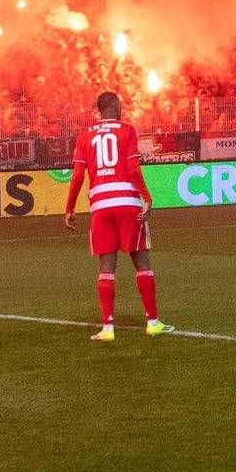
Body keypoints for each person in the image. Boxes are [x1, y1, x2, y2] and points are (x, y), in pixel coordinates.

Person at [65, 90, 165, 341]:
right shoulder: (127, 129)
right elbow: (132, 167)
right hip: (128, 203)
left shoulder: (84, 135)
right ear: (116, 106)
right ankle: (152, 322)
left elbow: (77, 176)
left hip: (101, 206)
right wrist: (147, 197)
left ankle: (107, 328)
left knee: (106, 266)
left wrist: (69, 208)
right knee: (141, 261)